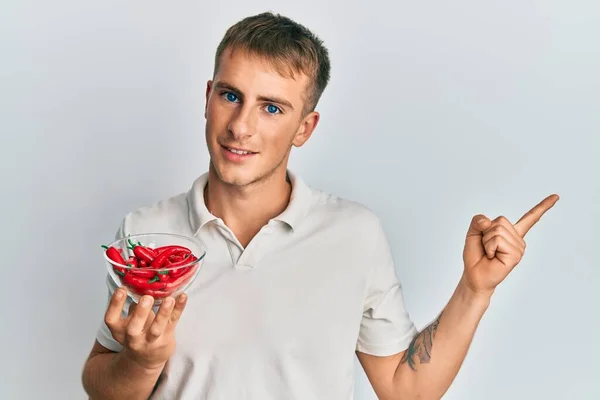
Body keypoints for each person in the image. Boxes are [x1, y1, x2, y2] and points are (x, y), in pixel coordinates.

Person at [81, 12, 559, 400]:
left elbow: (406, 389)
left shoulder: (355, 234)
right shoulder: (145, 232)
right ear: (208, 99)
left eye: (272, 107)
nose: (240, 127)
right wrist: (141, 361)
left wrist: (475, 290)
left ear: (305, 128)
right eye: (231, 96)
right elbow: (101, 387)